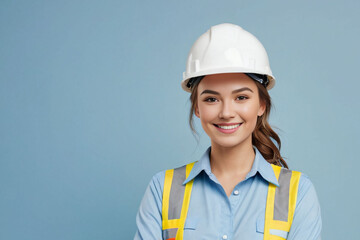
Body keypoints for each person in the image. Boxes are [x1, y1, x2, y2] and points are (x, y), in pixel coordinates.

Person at [134, 23, 322, 240]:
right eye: (211, 99)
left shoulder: (298, 192)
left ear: (261, 105)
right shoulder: (163, 189)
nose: (226, 112)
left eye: (241, 97)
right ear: (197, 107)